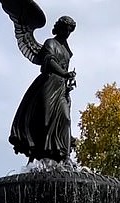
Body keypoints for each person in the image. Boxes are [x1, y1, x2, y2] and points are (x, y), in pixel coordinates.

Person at [8, 15, 76, 163]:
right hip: (49, 84)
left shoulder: (67, 51)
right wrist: (64, 73)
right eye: (65, 29)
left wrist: (68, 83)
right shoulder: (50, 43)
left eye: (70, 30)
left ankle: (64, 156)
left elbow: (66, 69)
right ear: (59, 28)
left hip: (61, 88)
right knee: (44, 118)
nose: (67, 33)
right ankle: (39, 154)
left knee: (65, 118)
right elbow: (49, 61)